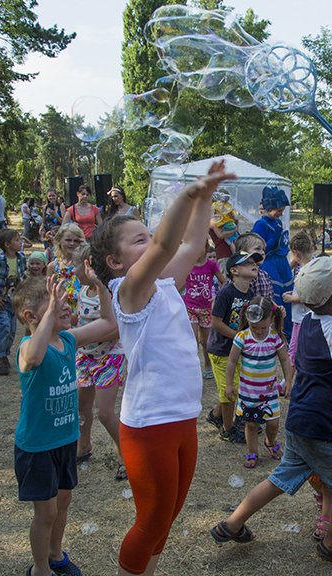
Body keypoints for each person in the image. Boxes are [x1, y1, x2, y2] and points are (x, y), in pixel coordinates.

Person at [89, 159, 235, 576]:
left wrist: (204, 197)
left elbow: (191, 247)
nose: (149, 242)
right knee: (151, 519)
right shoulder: (129, 292)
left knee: (167, 516)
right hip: (149, 424)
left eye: (148, 235)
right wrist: (187, 195)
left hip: (182, 417)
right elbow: (167, 248)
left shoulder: (164, 283)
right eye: (139, 241)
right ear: (115, 262)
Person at [209, 251, 332, 567]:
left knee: (280, 479)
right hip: (326, 430)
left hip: (300, 422)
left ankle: (232, 523)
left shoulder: (307, 323)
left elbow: (320, 373)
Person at [11, 272, 117, 576]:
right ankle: (40, 569)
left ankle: (56, 554)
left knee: (64, 502)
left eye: (66, 300)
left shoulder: (68, 340)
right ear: (32, 316)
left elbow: (110, 325)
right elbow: (32, 358)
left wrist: (101, 287)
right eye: (56, 304)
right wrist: (51, 310)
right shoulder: (29, 348)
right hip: (37, 447)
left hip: (65, 441)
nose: (66, 306)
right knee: (46, 513)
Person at [70, 243, 126, 480]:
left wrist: (84, 337)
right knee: (82, 407)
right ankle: (84, 445)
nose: (73, 270)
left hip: (109, 357)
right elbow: (79, 319)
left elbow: (115, 329)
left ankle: (126, 455)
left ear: (89, 266)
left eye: (76, 265)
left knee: (105, 413)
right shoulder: (82, 291)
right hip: (85, 357)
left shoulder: (112, 293)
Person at [225, 295, 292, 468]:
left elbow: (285, 360)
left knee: (273, 422)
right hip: (248, 393)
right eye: (254, 327)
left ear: (271, 319)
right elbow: (232, 361)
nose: (259, 331)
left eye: (263, 327)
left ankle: (270, 441)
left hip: (269, 392)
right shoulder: (242, 337)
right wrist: (230, 384)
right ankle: (252, 452)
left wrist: (288, 382)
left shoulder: (275, 337)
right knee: (252, 424)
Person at [205, 250, 262, 443]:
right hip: (221, 350)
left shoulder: (252, 294)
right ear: (234, 270)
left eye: (255, 262)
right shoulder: (226, 292)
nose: (254, 264)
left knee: (234, 388)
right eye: (248, 263)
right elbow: (216, 321)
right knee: (228, 391)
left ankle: (216, 415)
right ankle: (227, 429)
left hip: (238, 350)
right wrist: (238, 337)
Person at [0, 228, 27, 375]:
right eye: (17, 240)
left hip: (13, 301)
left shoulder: (21, 259)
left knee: (12, 330)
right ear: (7, 244)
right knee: (5, 326)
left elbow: (22, 279)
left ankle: (4, 355)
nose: (20, 242)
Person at [252, 186, 293, 337]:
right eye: (279, 210)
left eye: (282, 210)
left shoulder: (278, 223)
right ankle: (274, 332)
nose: (281, 213)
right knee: (275, 298)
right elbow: (256, 249)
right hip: (270, 264)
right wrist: (272, 240)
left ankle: (288, 332)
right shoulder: (261, 224)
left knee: (287, 295)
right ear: (270, 207)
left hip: (282, 263)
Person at [183, 242, 226, 380]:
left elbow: (223, 281)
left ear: (205, 248)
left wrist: (221, 298)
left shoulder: (211, 265)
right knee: (192, 339)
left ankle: (208, 363)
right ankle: (192, 368)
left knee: (205, 341)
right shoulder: (187, 264)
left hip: (206, 308)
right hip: (190, 306)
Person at [281, 230, 316, 386]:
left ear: (295, 252)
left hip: (302, 317)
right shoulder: (313, 266)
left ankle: (287, 382)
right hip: (304, 317)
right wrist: (293, 292)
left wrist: (291, 298)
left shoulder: (306, 270)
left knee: (294, 350)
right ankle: (289, 380)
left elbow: (309, 296)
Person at [48, 223, 86, 319]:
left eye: (76, 241)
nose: (72, 243)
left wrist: (85, 247)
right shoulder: (53, 266)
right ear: (59, 241)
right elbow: (49, 293)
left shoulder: (84, 264)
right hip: (62, 310)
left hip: (82, 309)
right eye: (68, 240)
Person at [235, 233, 273, 301]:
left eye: (263, 249)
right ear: (243, 252)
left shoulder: (265, 275)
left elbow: (270, 298)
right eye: (257, 249)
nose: (262, 252)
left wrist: (276, 308)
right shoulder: (241, 275)